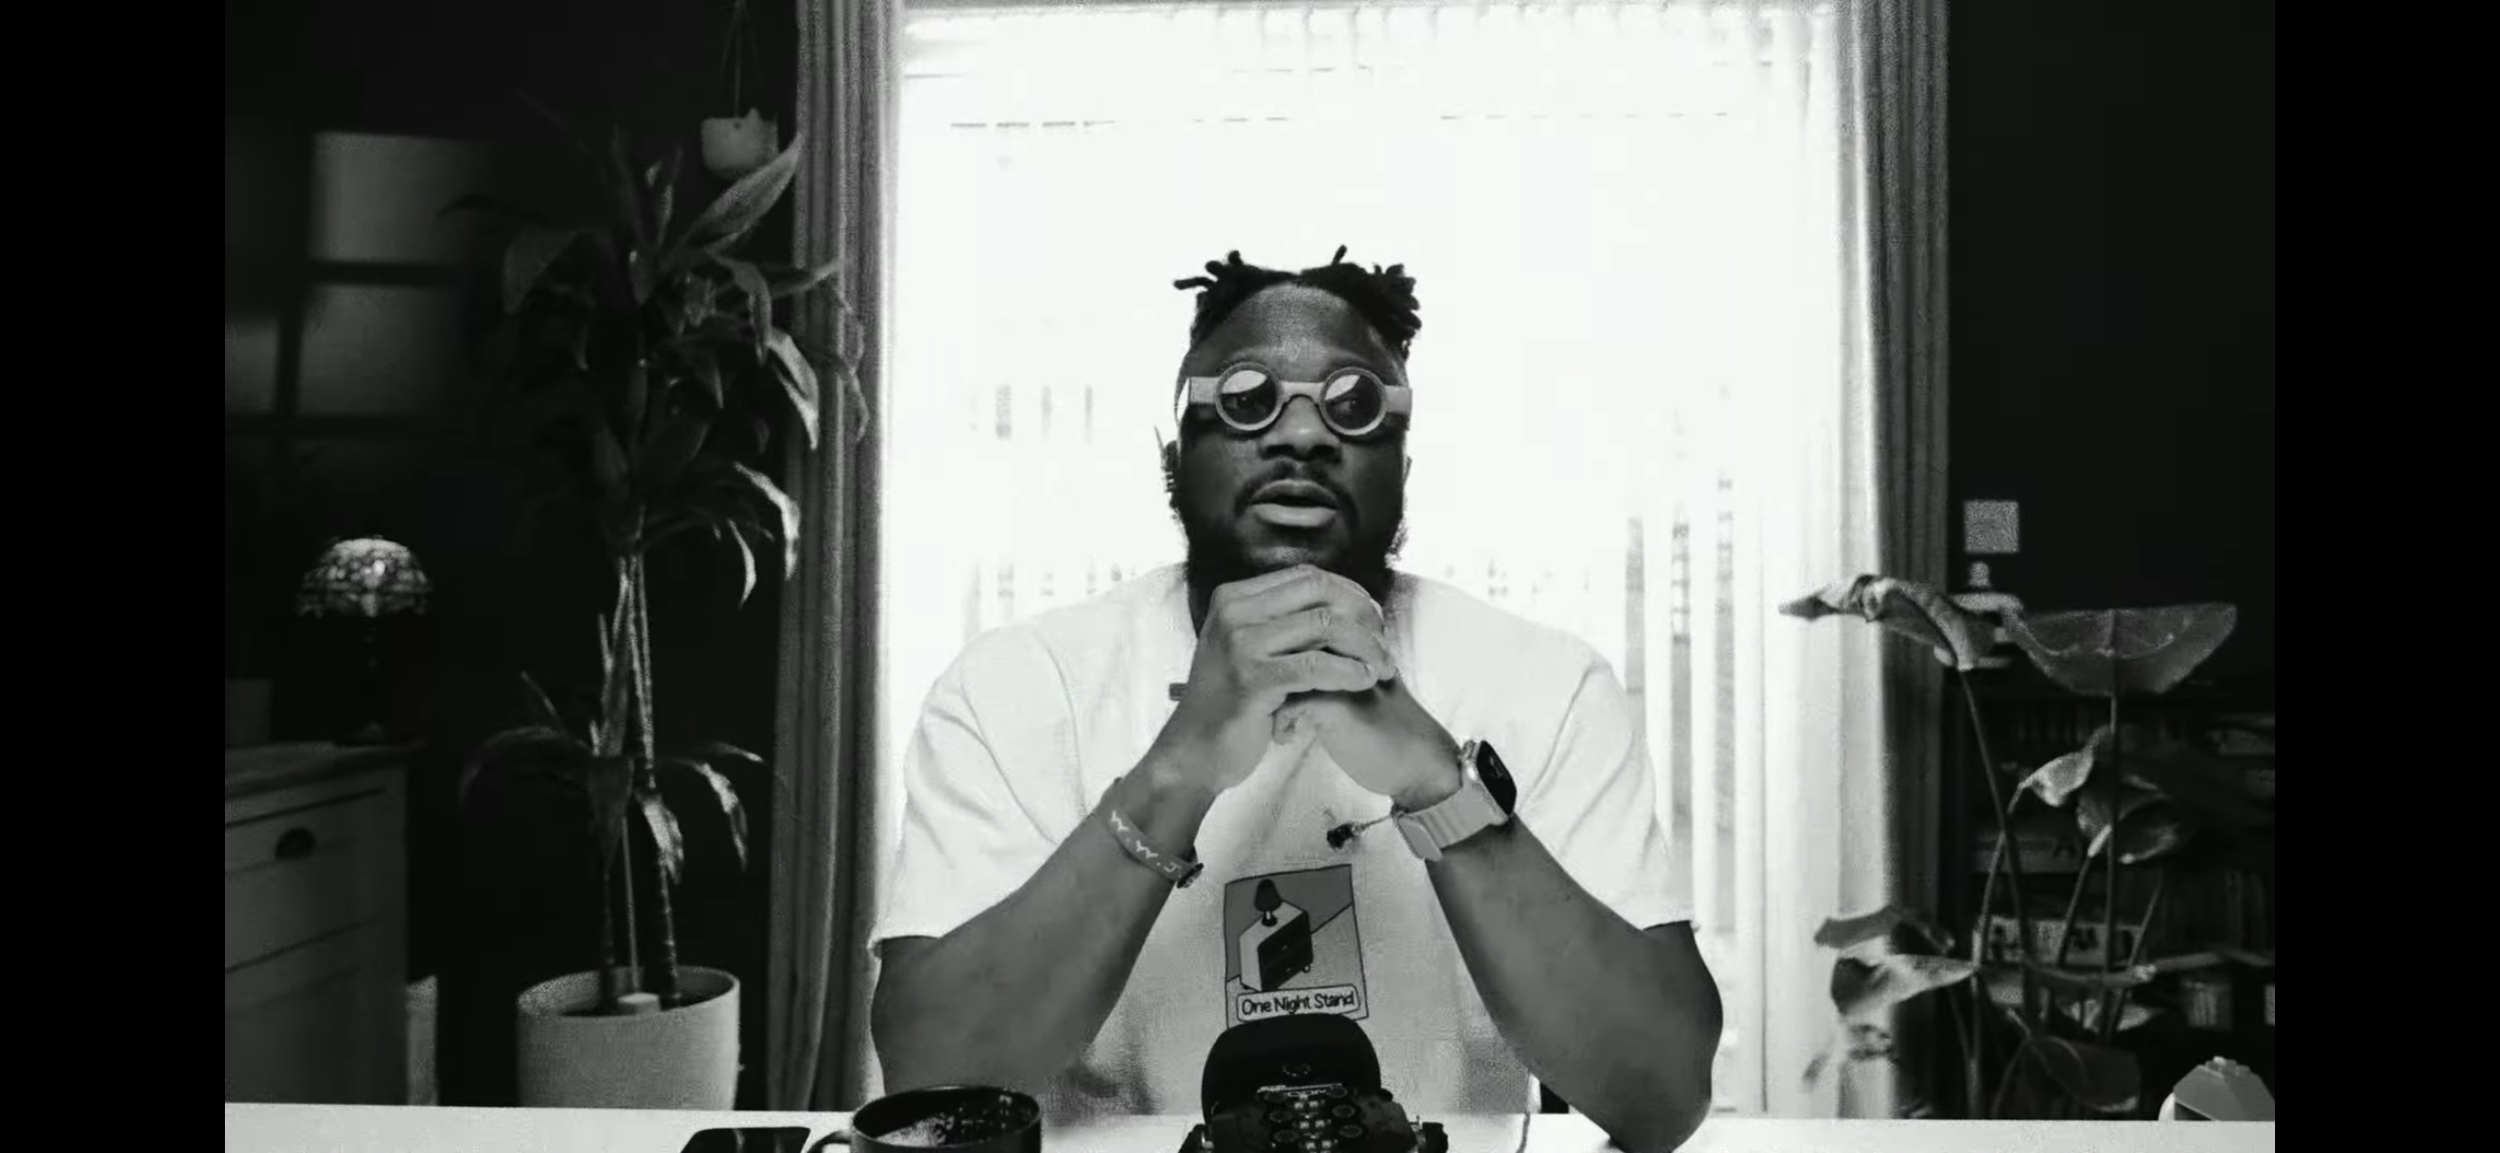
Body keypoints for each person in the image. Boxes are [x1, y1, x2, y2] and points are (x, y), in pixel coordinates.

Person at [868, 248, 1723, 1150]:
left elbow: (1662, 1093)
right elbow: (930, 1075)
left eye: (1355, 405)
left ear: (1402, 459)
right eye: (1247, 398)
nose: (1304, 435)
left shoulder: (1543, 684)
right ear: (1176, 450)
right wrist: (1178, 767)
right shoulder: (1017, 685)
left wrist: (1439, 784)